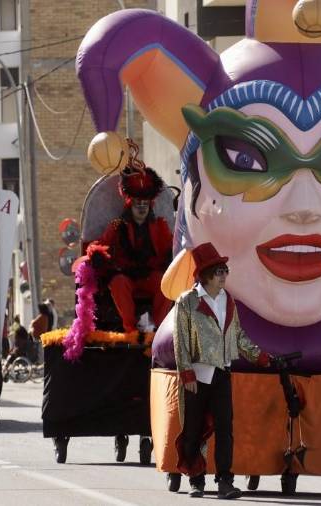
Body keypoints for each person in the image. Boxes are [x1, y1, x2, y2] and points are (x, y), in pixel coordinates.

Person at [174, 242, 270, 499]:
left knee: (225, 428)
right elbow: (180, 341)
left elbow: (237, 334)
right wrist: (186, 373)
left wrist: (259, 356)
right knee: (193, 429)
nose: (225, 274)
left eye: (225, 270)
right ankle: (196, 479)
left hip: (222, 373)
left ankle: (225, 481)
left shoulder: (229, 301)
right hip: (197, 375)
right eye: (219, 271)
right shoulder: (187, 302)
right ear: (206, 275)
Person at [95, 167, 173, 333]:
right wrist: (98, 254)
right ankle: (130, 329)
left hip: (150, 275)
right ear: (130, 204)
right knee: (118, 282)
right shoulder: (117, 225)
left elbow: (170, 247)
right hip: (126, 276)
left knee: (165, 282)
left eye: (145, 203)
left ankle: (160, 330)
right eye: (138, 203)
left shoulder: (160, 225)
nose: (142, 207)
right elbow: (101, 244)